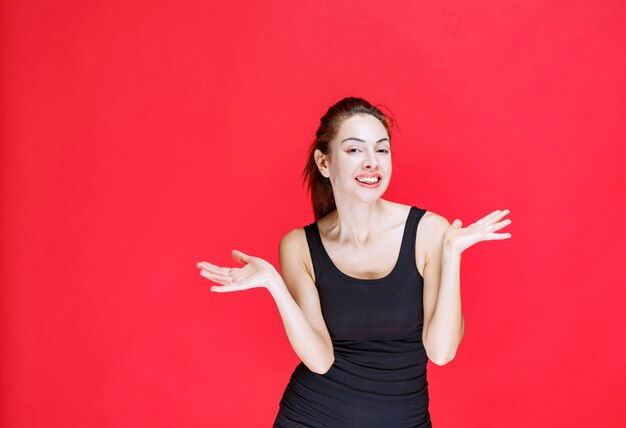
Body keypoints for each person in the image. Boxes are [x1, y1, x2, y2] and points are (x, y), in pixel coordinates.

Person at [197, 97, 512, 427]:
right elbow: (320, 360)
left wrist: (452, 255)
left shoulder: (430, 232)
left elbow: (441, 352)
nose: (372, 162)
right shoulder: (298, 246)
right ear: (324, 163)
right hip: (311, 418)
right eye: (354, 150)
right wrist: (275, 285)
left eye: (382, 149)